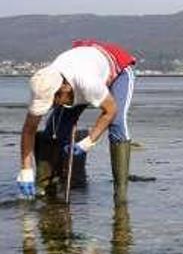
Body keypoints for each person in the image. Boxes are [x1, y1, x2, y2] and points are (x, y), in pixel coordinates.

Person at [17, 40, 136, 201]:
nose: (51, 106)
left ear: (63, 90)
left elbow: (110, 111)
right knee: (54, 130)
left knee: (117, 124)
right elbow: (29, 129)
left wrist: (87, 142)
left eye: (52, 101)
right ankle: (46, 186)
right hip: (80, 71)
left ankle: (120, 195)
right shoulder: (42, 83)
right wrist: (26, 170)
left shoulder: (88, 84)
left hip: (117, 69)